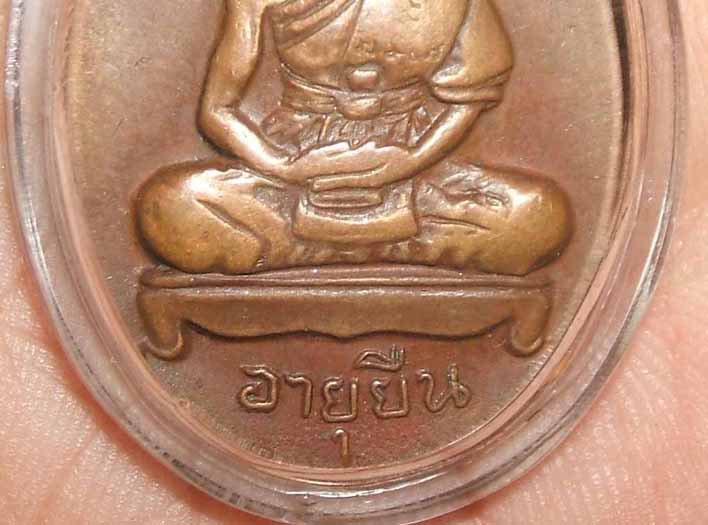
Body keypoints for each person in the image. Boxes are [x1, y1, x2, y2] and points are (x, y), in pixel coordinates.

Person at [136, 0, 571, 276]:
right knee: (172, 205)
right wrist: (284, 167)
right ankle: (390, 245)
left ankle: (302, 248)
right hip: (297, 153)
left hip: (413, 158)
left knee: (537, 214)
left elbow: (469, 98)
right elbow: (218, 110)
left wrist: (410, 161)